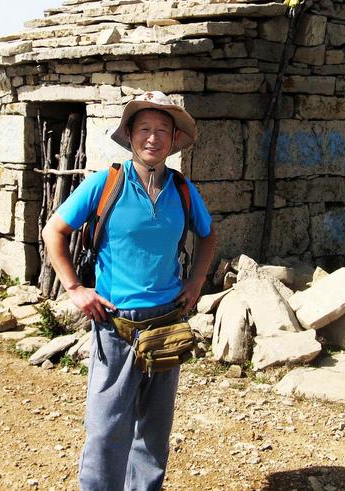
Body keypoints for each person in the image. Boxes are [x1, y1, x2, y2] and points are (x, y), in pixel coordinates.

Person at [42, 91, 217, 491]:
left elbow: (208, 235)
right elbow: (54, 231)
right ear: (130, 135)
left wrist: (195, 282)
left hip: (166, 323)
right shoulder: (106, 183)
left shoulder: (182, 190)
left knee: (154, 432)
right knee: (106, 430)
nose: (153, 138)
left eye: (162, 131)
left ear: (174, 139)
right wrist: (74, 287)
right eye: (144, 129)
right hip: (114, 324)